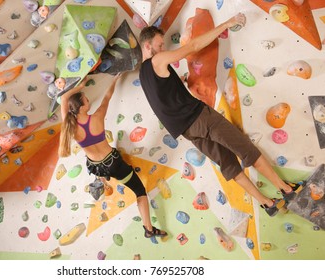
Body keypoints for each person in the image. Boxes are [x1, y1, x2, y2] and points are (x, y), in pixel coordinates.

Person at [138, 13, 303, 217]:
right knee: (246, 149)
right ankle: (286, 189)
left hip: (186, 130)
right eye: (160, 45)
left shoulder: (143, 75)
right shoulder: (157, 60)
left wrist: (179, 82)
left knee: (229, 165)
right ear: (148, 46)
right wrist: (227, 23)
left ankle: (267, 203)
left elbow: (164, 96)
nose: (162, 49)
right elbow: (192, 47)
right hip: (199, 117)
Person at [58, 74, 167, 238]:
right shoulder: (97, 116)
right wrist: (114, 80)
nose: (89, 101)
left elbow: (64, 98)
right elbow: (107, 97)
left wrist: (80, 86)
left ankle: (104, 178)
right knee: (139, 191)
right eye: (86, 100)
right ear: (82, 107)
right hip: (113, 163)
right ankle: (149, 229)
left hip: (95, 166)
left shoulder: (70, 126)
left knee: (98, 165)